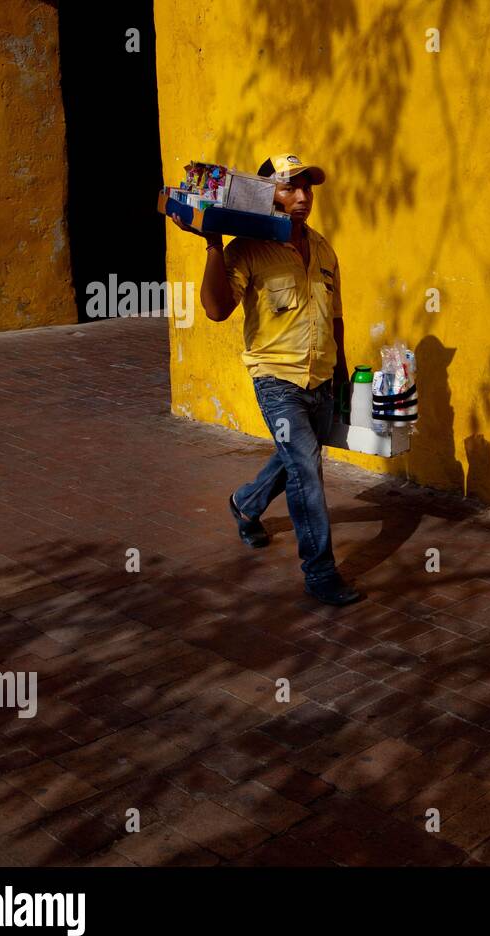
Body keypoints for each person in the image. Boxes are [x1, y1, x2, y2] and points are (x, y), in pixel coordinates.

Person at [172, 153, 361, 606]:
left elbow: (334, 317)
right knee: (307, 472)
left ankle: (246, 503)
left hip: (320, 377)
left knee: (296, 459)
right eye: (288, 188)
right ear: (263, 195)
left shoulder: (324, 248)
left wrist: (342, 375)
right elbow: (217, 310)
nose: (301, 197)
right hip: (276, 378)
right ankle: (320, 573)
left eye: (306, 188)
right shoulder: (246, 249)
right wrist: (213, 245)